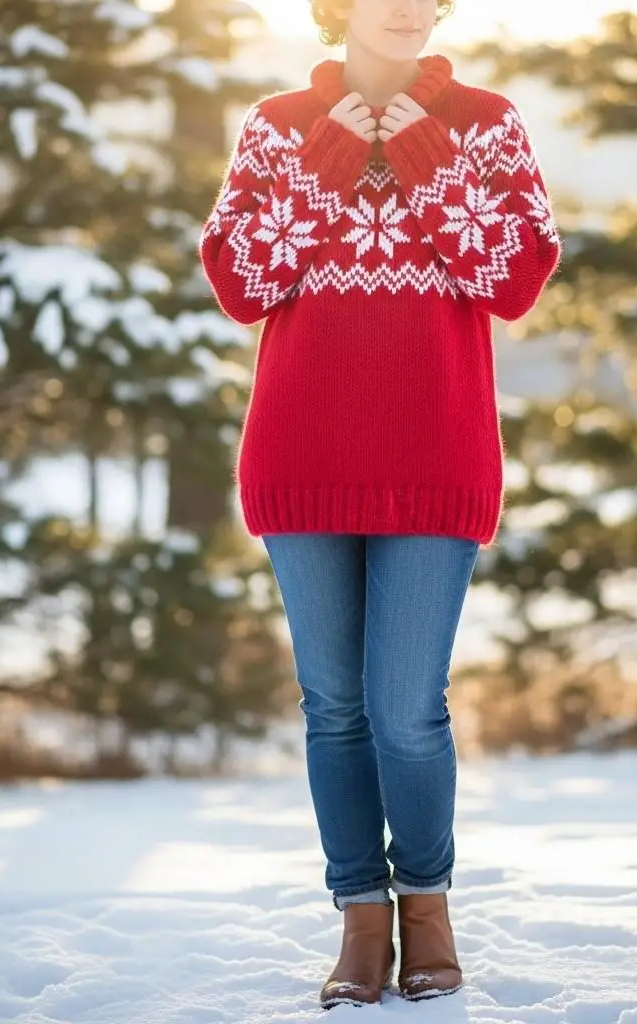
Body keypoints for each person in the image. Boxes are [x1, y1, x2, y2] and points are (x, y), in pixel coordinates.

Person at [199, 0, 562, 1009]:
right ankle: (361, 918)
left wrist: (429, 159)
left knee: (407, 710)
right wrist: (323, 158)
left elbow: (518, 277)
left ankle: (427, 906)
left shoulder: (485, 122)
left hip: (435, 456)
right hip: (302, 453)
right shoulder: (277, 125)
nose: (407, 7)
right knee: (337, 709)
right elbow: (241, 279)